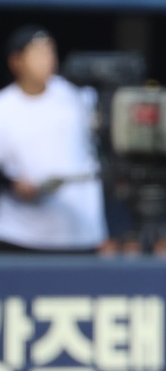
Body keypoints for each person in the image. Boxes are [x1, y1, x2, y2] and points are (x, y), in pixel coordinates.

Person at [0, 25, 107, 254]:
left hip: (79, 233)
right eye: (37, 53)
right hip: (21, 234)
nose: (47, 60)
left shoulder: (78, 97)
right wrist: (12, 184)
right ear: (16, 61)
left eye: (50, 52)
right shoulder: (4, 106)